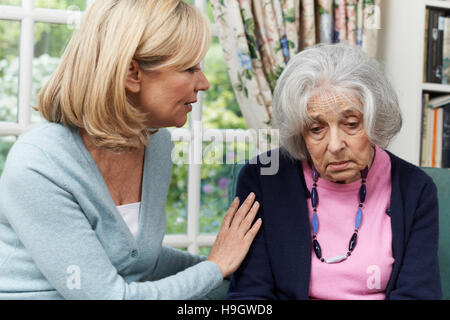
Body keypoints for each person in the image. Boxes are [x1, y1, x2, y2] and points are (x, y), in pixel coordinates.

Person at [0, 0, 262, 300]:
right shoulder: (40, 164)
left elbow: (139, 261)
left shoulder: (155, 143)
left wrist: (237, 275)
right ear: (131, 73)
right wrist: (215, 268)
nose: (204, 83)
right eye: (190, 68)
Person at [227, 43, 442, 300]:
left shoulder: (415, 189)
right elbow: (250, 295)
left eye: (351, 124)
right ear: (299, 132)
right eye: (316, 129)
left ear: (374, 120)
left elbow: (418, 294)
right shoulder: (263, 178)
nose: (336, 145)